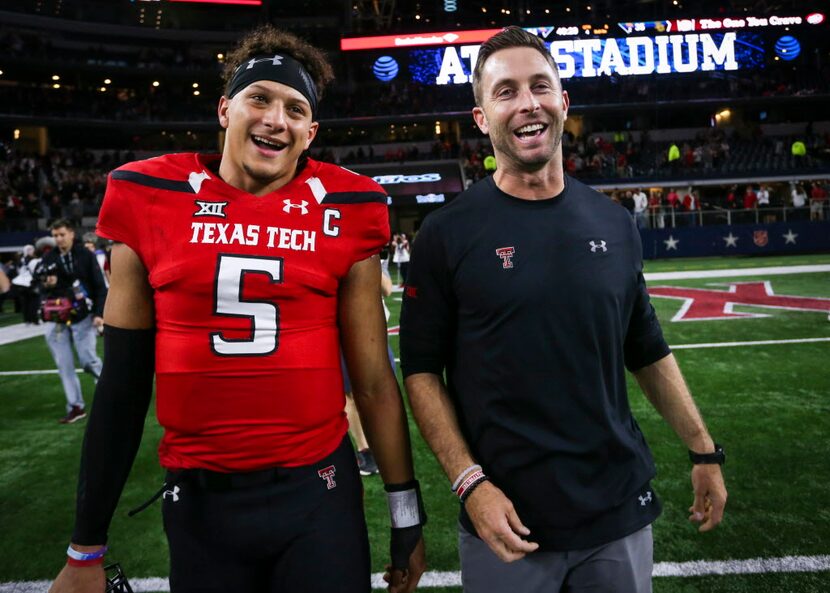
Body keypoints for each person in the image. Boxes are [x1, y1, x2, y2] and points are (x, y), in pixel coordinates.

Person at [50, 25, 425, 593]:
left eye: (295, 108)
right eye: (260, 98)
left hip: (317, 493)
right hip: (201, 502)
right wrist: (84, 549)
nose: (277, 118)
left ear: (311, 132)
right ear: (225, 109)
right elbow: (123, 387)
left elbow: (372, 383)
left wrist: (405, 515)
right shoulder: (150, 196)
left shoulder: (350, 206)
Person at [400, 26, 726, 593]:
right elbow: (422, 372)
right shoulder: (445, 234)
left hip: (618, 510)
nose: (527, 104)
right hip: (506, 525)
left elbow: (646, 347)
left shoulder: (614, 223)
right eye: (505, 92)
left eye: (540, 86)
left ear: (563, 102)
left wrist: (703, 448)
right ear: (481, 118)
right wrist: (469, 484)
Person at [38, 219, 106, 424]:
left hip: (83, 316)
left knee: (88, 360)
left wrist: (98, 313)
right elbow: (41, 287)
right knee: (64, 365)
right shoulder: (49, 257)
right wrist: (47, 285)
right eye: (55, 235)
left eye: (61, 234)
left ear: (71, 234)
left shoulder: (85, 255)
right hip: (58, 318)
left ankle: (110, 392)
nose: (58, 239)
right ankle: (75, 406)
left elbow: (99, 286)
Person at [343, 268, 397, 476]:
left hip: (374, 334)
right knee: (349, 397)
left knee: (383, 395)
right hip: (343, 332)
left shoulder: (369, 253)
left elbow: (387, 289)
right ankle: (365, 451)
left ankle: (383, 450)